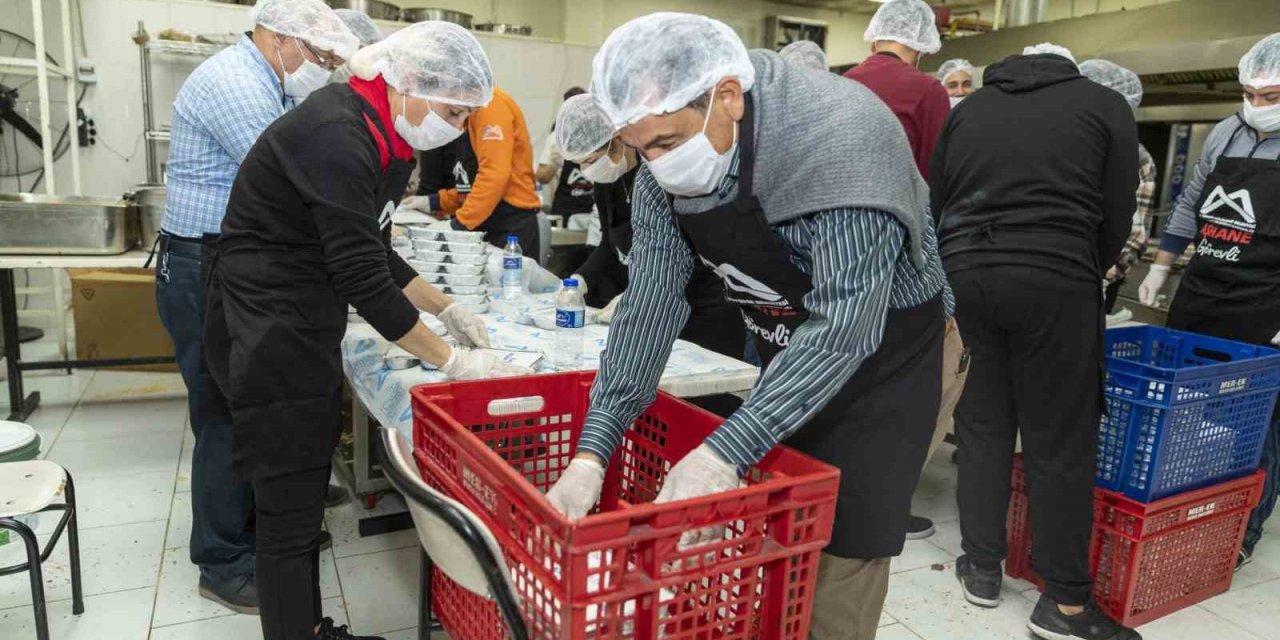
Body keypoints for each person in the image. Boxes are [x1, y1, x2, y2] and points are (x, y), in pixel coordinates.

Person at [544, 13, 952, 640]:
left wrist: (724, 451)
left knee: (843, 545)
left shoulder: (843, 143)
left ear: (727, 97)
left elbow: (846, 326)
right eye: (640, 148)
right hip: (784, 336)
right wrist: (594, 448)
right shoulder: (667, 168)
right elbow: (650, 302)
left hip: (886, 354)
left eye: (666, 143)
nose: (655, 164)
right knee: (772, 530)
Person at [203, 22, 529, 640]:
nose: (458, 129)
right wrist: (450, 362)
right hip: (267, 327)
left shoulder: (386, 135)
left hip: (299, 318)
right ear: (410, 83)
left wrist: (447, 308)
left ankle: (307, 627)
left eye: (467, 117)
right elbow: (359, 275)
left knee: (297, 505)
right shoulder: (338, 134)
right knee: (288, 517)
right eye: (454, 112)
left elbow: (375, 246)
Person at [931, 42, 1141, 640]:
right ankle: (1066, 605)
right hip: (1056, 277)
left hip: (968, 276)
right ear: (1069, 67)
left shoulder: (968, 109)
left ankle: (981, 568)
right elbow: (1117, 211)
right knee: (1059, 439)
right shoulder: (1105, 106)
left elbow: (937, 200)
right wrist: (1081, 269)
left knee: (982, 426)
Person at [154, 0, 356, 615]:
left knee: (249, 407)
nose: (319, 68)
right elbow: (295, 176)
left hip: (228, 264)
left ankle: (257, 533)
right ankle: (219, 559)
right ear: (279, 38)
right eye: (317, 56)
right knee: (221, 414)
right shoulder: (237, 83)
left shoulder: (272, 83)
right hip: (199, 266)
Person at [1138, 33, 1280, 570]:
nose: (1257, 107)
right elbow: (1191, 204)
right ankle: (1186, 505)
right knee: (1188, 411)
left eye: (1271, 97)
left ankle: (1244, 529)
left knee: (1258, 421)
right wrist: (1161, 265)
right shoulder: (1225, 132)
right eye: (1250, 94)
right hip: (1202, 292)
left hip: (1265, 303)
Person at [554, 94, 745, 415]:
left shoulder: (661, 172)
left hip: (705, 302)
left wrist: (642, 293)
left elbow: (691, 250)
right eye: (581, 165)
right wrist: (580, 280)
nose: (588, 171)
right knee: (655, 399)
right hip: (654, 296)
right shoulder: (607, 182)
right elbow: (609, 246)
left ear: (617, 140)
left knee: (701, 403)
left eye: (590, 160)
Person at [843, 0, 951, 539]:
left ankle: (833, 491)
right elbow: (936, 179)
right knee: (898, 392)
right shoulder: (927, 92)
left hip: (832, 249)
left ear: (872, 35)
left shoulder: (845, 81)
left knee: (843, 375)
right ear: (924, 39)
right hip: (900, 257)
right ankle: (883, 505)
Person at [402, 85, 542, 253]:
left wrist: (459, 224)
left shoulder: (490, 105)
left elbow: (494, 177)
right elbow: (471, 186)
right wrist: (434, 201)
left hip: (510, 229)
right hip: (484, 223)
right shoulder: (468, 115)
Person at [1078, 59, 1158, 314]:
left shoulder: (1136, 158)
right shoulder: (1055, 141)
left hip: (1093, 278)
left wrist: (1100, 278)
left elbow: (1135, 233)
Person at [843, 0, 949, 180]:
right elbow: (935, 170)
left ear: (874, 41)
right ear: (921, 46)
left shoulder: (845, 80)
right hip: (900, 204)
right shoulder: (929, 91)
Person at [536, 87, 597, 225]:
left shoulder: (598, 136)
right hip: (565, 212)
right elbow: (541, 177)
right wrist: (553, 163)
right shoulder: (556, 139)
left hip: (593, 211)